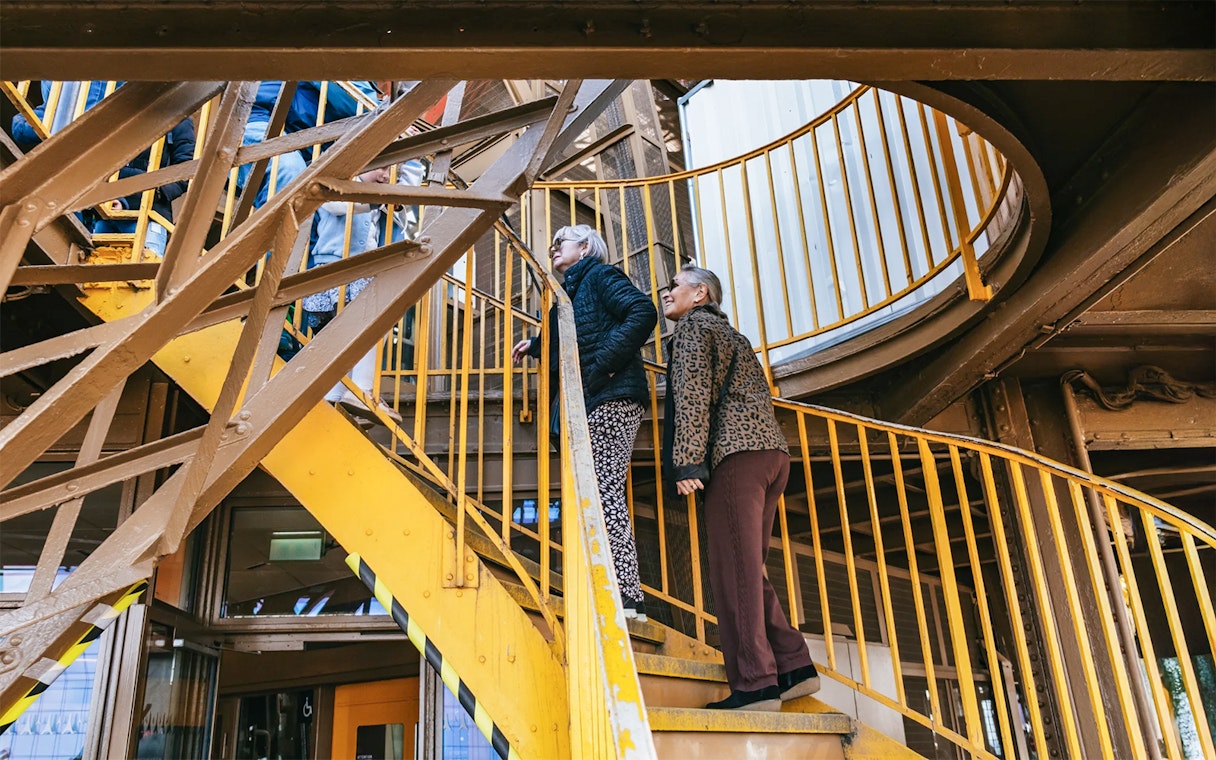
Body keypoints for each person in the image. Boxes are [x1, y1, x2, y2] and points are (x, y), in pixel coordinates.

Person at [660, 265, 819, 711]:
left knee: (733, 573)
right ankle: (794, 666)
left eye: (674, 285)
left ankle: (755, 684)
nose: (666, 292)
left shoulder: (694, 329)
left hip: (737, 458)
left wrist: (687, 460)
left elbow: (693, 393)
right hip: (771, 455)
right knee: (748, 567)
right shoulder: (733, 335)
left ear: (700, 294)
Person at [511, 225, 658, 620]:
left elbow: (643, 312)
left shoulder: (599, 275)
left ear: (587, 247)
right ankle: (613, 591)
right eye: (553, 241)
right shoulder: (569, 293)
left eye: (564, 240)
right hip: (594, 398)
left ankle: (627, 596)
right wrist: (538, 345)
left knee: (604, 489)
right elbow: (576, 332)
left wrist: (601, 364)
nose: (555, 246)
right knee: (594, 491)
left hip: (611, 396)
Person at [11, 81, 196, 257]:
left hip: (145, 213)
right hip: (100, 212)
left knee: (141, 280)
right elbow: (22, 127)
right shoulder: (101, 96)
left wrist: (152, 192)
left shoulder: (178, 114)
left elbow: (187, 169)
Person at [303, 165, 412, 425]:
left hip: (363, 270)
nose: (387, 176)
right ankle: (362, 390)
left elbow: (402, 215)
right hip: (336, 267)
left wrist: (393, 201)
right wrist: (379, 198)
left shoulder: (378, 198)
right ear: (363, 163)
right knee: (370, 325)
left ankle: (339, 395)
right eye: (383, 168)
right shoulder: (341, 184)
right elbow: (340, 206)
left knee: (355, 334)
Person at [235, 80, 381, 208]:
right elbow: (360, 106)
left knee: (321, 200)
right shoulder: (338, 59)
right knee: (289, 170)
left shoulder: (368, 82)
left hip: (303, 147)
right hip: (261, 121)